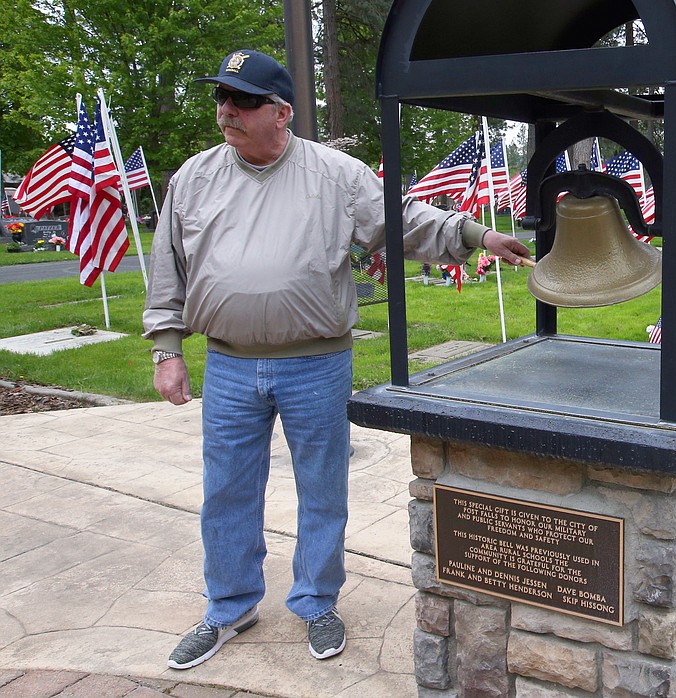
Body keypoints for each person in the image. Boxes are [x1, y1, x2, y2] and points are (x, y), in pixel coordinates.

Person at [143, 49, 530, 670]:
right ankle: (229, 604)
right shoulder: (193, 178)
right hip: (230, 364)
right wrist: (168, 349)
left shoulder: (334, 175)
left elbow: (401, 221)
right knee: (226, 490)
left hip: (315, 364)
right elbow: (170, 270)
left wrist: (476, 235)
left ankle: (317, 600)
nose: (227, 111)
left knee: (322, 489)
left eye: (242, 101)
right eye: (222, 98)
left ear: (281, 112)